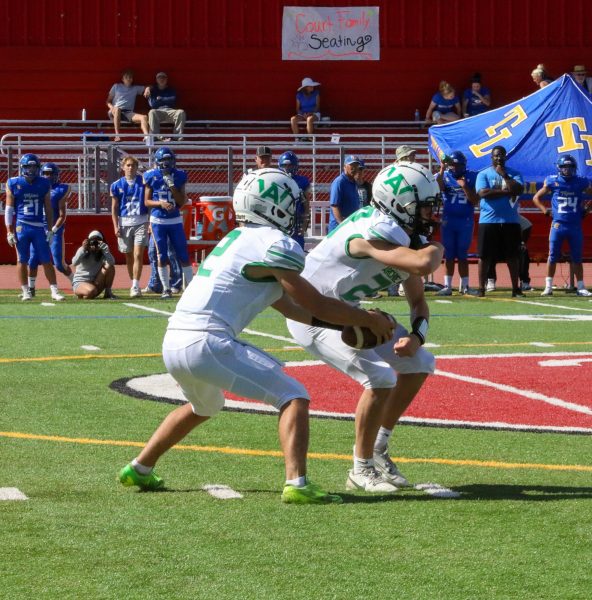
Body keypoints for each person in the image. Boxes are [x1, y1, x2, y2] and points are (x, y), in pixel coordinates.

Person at [118, 167, 393, 504]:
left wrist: (346, 326)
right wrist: (365, 317)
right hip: (208, 341)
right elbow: (314, 301)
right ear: (273, 207)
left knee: (204, 405)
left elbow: (291, 307)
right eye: (293, 204)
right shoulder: (273, 242)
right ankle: (297, 483)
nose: (298, 211)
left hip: (174, 341)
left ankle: (140, 467)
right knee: (293, 395)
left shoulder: (239, 239)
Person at [287, 162, 444, 493]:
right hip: (311, 313)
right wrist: (438, 249)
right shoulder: (372, 232)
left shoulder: (402, 235)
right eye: (425, 207)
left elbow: (419, 303)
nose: (431, 214)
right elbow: (424, 262)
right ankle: (360, 468)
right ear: (399, 204)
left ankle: (378, 447)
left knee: (420, 363)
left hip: (347, 310)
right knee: (380, 377)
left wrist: (416, 338)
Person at [4, 154, 64, 302]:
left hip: (38, 226)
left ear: (38, 168)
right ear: (22, 167)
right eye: (28, 166)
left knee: (46, 260)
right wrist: (9, 231)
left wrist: (50, 230)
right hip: (21, 226)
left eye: (34, 166)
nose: (31, 169)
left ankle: (54, 290)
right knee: (22, 260)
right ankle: (25, 291)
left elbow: (48, 208)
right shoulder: (13, 183)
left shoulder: (43, 183)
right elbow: (9, 209)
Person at [532, 155, 592, 297]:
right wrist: (545, 210)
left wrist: (587, 209)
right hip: (558, 225)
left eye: (570, 167)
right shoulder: (553, 181)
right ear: (559, 168)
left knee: (577, 257)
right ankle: (548, 286)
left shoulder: (580, 182)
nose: (567, 170)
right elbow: (536, 198)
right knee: (552, 255)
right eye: (565, 167)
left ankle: (581, 286)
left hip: (575, 225)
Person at [143, 146, 193, 298]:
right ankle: (166, 288)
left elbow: (181, 201)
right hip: (158, 219)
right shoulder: (150, 175)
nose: (167, 163)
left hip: (175, 219)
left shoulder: (179, 175)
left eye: (169, 159)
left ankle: (190, 288)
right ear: (158, 161)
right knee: (162, 255)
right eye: (164, 160)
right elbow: (147, 201)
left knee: (183, 255)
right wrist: (160, 203)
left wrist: (171, 185)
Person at [475, 146, 525, 297]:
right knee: (484, 256)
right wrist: (506, 192)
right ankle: (481, 288)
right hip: (488, 221)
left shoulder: (514, 174)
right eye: (496, 156)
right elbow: (484, 193)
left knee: (513, 257)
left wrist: (504, 175)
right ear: (491, 157)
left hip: (510, 221)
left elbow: (518, 190)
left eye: (501, 155)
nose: (498, 158)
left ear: (505, 157)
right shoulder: (483, 174)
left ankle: (516, 289)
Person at [436, 151, 479, 295]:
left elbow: (475, 201)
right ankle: (447, 286)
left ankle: (465, 286)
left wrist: (465, 187)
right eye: (451, 165)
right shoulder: (445, 175)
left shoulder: (472, 176)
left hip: (465, 221)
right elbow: (438, 188)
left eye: (456, 165)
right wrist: (442, 169)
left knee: (462, 254)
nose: (453, 168)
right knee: (448, 254)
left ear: (462, 165)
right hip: (448, 221)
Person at [27, 162, 73, 296]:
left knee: (59, 263)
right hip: (38, 229)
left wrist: (53, 229)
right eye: (45, 173)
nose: (47, 176)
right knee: (33, 260)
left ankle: (75, 282)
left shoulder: (61, 189)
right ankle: (31, 289)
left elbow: (62, 215)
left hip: (55, 229)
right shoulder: (36, 187)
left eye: (50, 173)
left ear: (56, 175)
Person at [110, 155, 149, 297]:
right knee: (128, 255)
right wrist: (115, 226)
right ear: (123, 167)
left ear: (137, 168)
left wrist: (149, 222)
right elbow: (114, 208)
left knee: (138, 254)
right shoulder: (116, 185)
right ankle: (132, 281)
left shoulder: (143, 183)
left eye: (133, 165)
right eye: (128, 165)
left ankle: (136, 285)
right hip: (124, 222)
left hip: (141, 221)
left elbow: (148, 203)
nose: (130, 168)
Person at [278, 150, 311, 249]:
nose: (287, 168)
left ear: (295, 166)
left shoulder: (302, 181)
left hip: (296, 222)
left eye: (290, 166)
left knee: (298, 250)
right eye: (285, 166)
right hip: (280, 220)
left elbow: (306, 205)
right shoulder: (277, 179)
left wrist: (305, 224)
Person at [106, 69, 150, 143]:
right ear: (122, 79)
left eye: (130, 77)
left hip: (128, 112)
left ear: (132, 79)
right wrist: (112, 107)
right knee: (117, 109)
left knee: (144, 117)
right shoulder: (116, 86)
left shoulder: (135, 88)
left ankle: (147, 137)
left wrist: (147, 89)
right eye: (126, 77)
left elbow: (149, 86)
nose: (128, 79)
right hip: (114, 111)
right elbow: (108, 101)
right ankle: (117, 135)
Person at [71, 230, 117, 299]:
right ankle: (85, 293)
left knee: (109, 266)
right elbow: (74, 263)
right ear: (89, 241)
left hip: (95, 282)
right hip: (80, 282)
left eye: (97, 242)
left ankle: (108, 293)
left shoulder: (103, 251)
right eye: (93, 241)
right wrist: (84, 249)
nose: (95, 244)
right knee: (91, 291)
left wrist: (106, 251)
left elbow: (112, 263)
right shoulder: (82, 250)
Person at [147, 72, 186, 141]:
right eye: (159, 78)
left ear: (166, 80)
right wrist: (166, 99)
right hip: (158, 111)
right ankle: (155, 136)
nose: (161, 80)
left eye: (163, 78)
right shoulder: (153, 90)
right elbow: (153, 104)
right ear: (156, 80)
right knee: (152, 112)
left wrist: (161, 99)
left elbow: (172, 100)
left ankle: (177, 136)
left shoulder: (171, 90)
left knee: (181, 112)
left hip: (170, 110)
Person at [327, 155, 362, 233]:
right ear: (345, 167)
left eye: (356, 166)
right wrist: (342, 225)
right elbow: (334, 206)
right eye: (352, 165)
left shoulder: (353, 182)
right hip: (338, 227)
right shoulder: (339, 182)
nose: (354, 168)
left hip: (351, 225)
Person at [290, 77, 320, 142]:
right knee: (293, 119)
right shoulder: (299, 95)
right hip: (303, 114)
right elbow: (297, 109)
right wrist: (303, 114)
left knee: (309, 119)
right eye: (310, 86)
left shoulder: (316, 93)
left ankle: (310, 138)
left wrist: (310, 113)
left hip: (314, 113)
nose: (312, 87)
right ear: (306, 87)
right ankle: (297, 139)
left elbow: (317, 107)